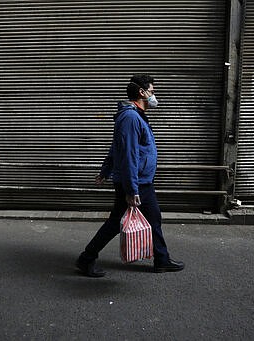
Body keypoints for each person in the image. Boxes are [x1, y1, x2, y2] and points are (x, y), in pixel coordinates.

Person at [76, 74, 185, 277]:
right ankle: (86, 258)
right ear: (142, 93)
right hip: (136, 182)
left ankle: (162, 259)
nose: (154, 96)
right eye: (152, 92)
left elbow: (118, 147)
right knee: (116, 223)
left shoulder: (137, 115)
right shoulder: (130, 117)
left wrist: (106, 170)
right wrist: (131, 189)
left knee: (152, 219)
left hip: (139, 180)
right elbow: (126, 154)